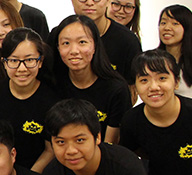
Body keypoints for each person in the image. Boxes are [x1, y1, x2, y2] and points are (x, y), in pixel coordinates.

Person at [49, 15, 131, 144]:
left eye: (82, 42)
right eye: (66, 43)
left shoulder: (116, 89)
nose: (74, 51)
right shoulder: (52, 84)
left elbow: (110, 144)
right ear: (58, 48)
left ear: (95, 46)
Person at [0, 28, 58, 172]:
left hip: (36, 174)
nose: (22, 68)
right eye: (14, 61)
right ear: (4, 63)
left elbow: (50, 150)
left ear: (40, 61)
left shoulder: (52, 101)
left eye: (29, 60)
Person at [66, 0, 141, 83]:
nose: (89, 2)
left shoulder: (128, 41)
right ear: (72, 0)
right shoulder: (60, 35)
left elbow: (134, 86)